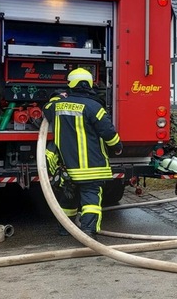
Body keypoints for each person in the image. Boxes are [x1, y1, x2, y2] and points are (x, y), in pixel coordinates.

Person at [43, 68, 123, 238]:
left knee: (68, 197)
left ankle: (65, 228)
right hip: (92, 167)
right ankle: (88, 231)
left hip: (67, 167)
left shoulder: (56, 106)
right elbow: (108, 132)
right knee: (91, 199)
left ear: (70, 84)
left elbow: (47, 108)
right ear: (89, 84)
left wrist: (57, 96)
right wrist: (117, 147)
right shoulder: (94, 107)